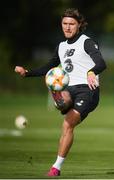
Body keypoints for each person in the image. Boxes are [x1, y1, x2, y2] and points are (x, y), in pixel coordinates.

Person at [15, 8, 107, 177]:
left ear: (79, 25)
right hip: (69, 89)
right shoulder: (61, 46)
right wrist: (27, 73)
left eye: (72, 24)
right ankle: (59, 96)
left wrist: (92, 72)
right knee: (53, 80)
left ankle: (55, 168)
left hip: (87, 91)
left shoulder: (86, 42)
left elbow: (101, 63)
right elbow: (48, 66)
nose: (68, 27)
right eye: (65, 23)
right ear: (61, 25)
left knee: (67, 124)